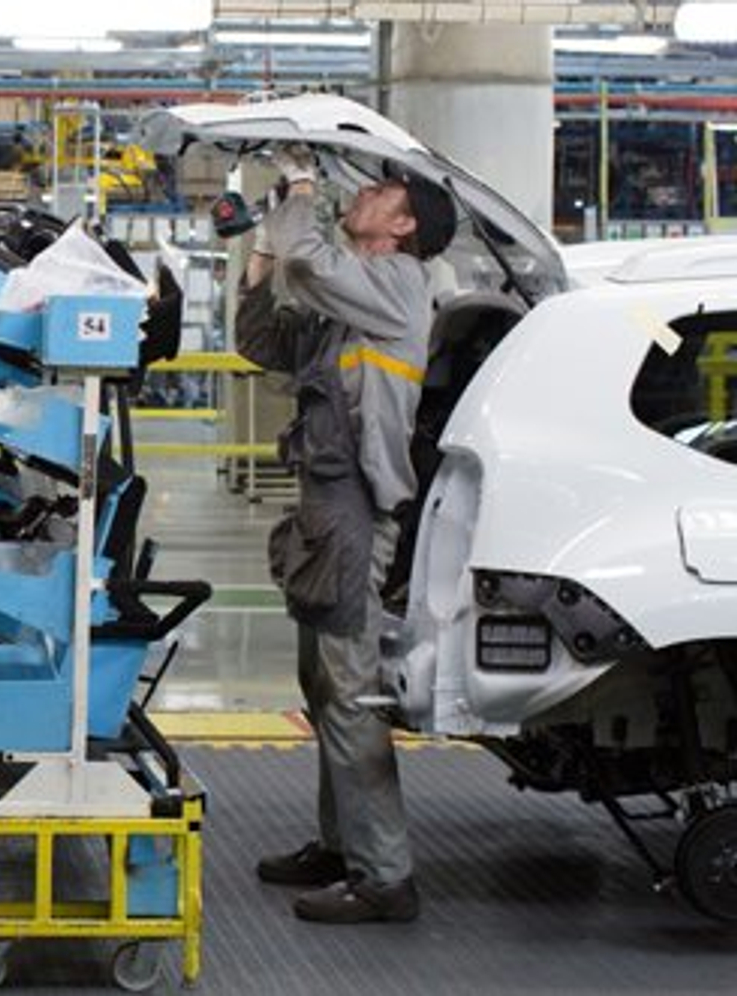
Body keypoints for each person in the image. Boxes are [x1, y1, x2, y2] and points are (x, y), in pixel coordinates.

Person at [237, 147, 456, 924]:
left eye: (384, 190)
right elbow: (261, 344)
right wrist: (263, 248)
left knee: (351, 692)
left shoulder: (400, 284)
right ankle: (342, 846)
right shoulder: (348, 303)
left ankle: (384, 875)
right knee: (323, 687)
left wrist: (300, 190)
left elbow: (311, 255)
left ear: (404, 227)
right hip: (323, 512)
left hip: (357, 512)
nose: (365, 191)